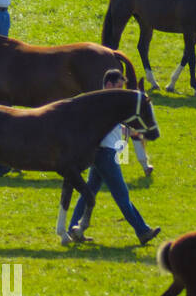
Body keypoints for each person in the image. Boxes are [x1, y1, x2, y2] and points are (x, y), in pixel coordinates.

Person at [66, 69, 160, 245]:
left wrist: (131, 133)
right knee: (122, 195)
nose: (121, 90)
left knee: (88, 193)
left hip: (103, 153)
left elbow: (114, 128)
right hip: (105, 154)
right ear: (109, 84)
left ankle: (72, 228)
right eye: (118, 86)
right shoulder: (100, 102)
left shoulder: (107, 102)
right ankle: (143, 231)